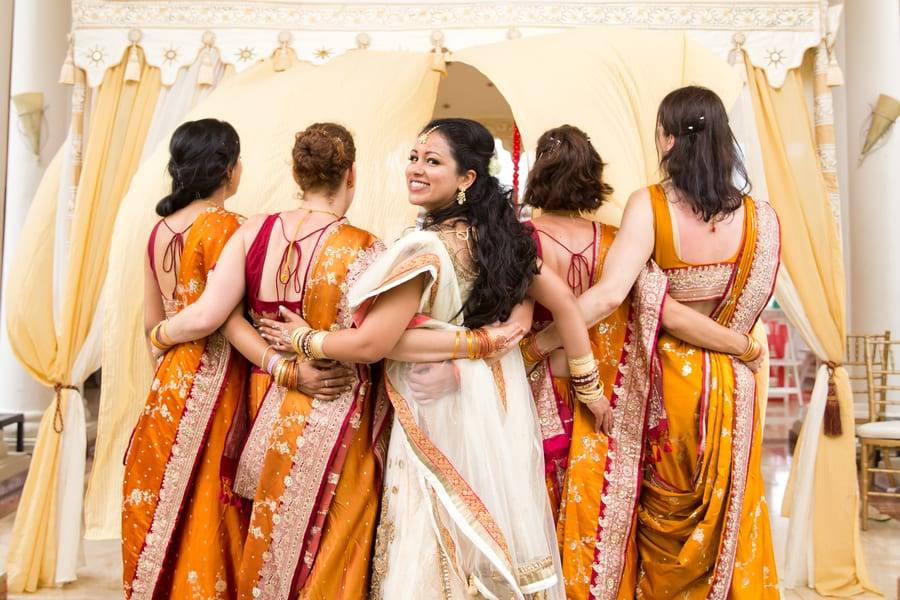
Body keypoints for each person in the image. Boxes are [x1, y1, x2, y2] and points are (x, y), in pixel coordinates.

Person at [268, 118, 608, 599]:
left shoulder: (425, 248)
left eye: (432, 162)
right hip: (492, 408)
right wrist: (586, 384)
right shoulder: (501, 240)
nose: (416, 170)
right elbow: (568, 309)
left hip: (435, 411)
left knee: (429, 536)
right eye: (414, 158)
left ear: (467, 178)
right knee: (478, 537)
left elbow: (372, 344)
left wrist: (306, 340)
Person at [531, 87, 779, 599]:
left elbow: (611, 297)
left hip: (667, 385)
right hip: (735, 386)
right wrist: (742, 349)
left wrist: (539, 343)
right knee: (731, 515)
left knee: (658, 518)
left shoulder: (652, 204)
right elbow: (748, 312)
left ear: (667, 139)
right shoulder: (760, 219)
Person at [155, 123, 389, 600]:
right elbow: (377, 342)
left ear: (296, 173)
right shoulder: (367, 245)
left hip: (264, 399)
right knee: (332, 544)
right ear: (352, 175)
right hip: (335, 401)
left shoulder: (251, 230)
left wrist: (280, 367)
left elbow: (223, 317)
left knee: (263, 536)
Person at [123, 119, 296, 599]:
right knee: (208, 502)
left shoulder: (159, 232)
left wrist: (163, 337)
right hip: (219, 378)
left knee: (169, 501)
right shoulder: (229, 227)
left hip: (170, 378)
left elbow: (151, 326)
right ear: (229, 168)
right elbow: (218, 317)